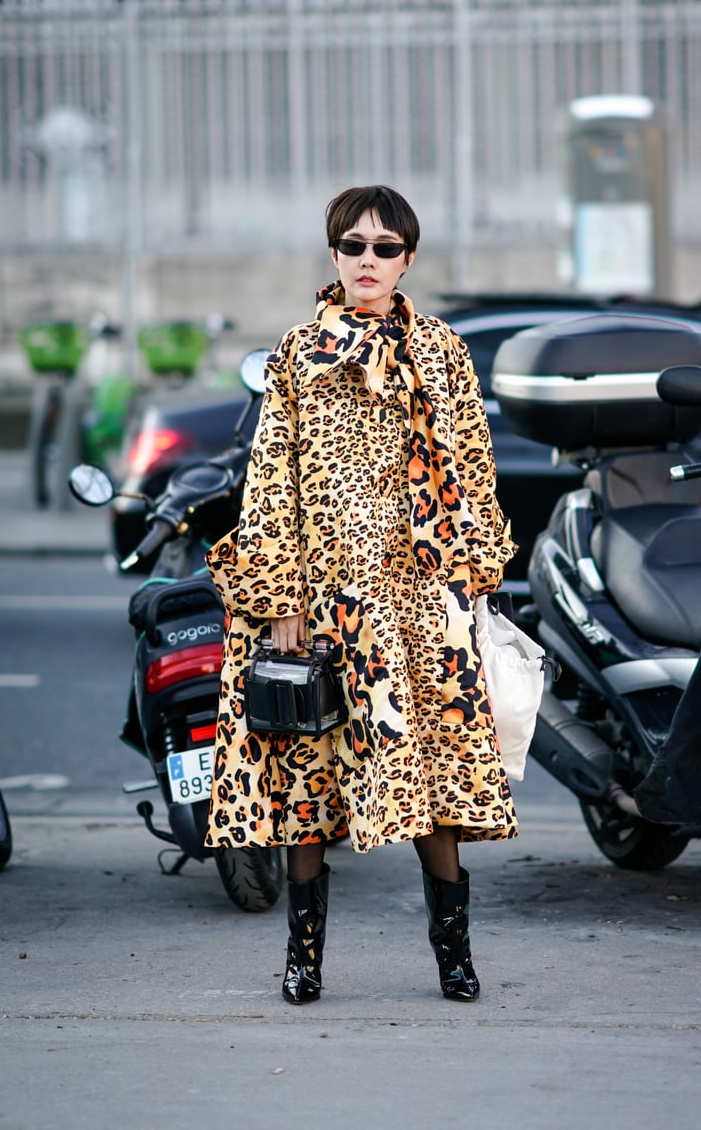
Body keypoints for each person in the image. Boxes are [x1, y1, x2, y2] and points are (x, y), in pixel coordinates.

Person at [204, 184, 519, 1005]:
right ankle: (303, 958)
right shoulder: (296, 353)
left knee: (434, 785)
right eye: (353, 245)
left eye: (385, 247)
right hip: (321, 601)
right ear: (333, 254)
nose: (368, 260)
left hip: (418, 599)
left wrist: (467, 583)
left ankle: (454, 953)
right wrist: (279, 607)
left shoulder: (443, 351)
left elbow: (471, 474)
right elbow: (270, 488)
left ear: (409, 258)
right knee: (308, 784)